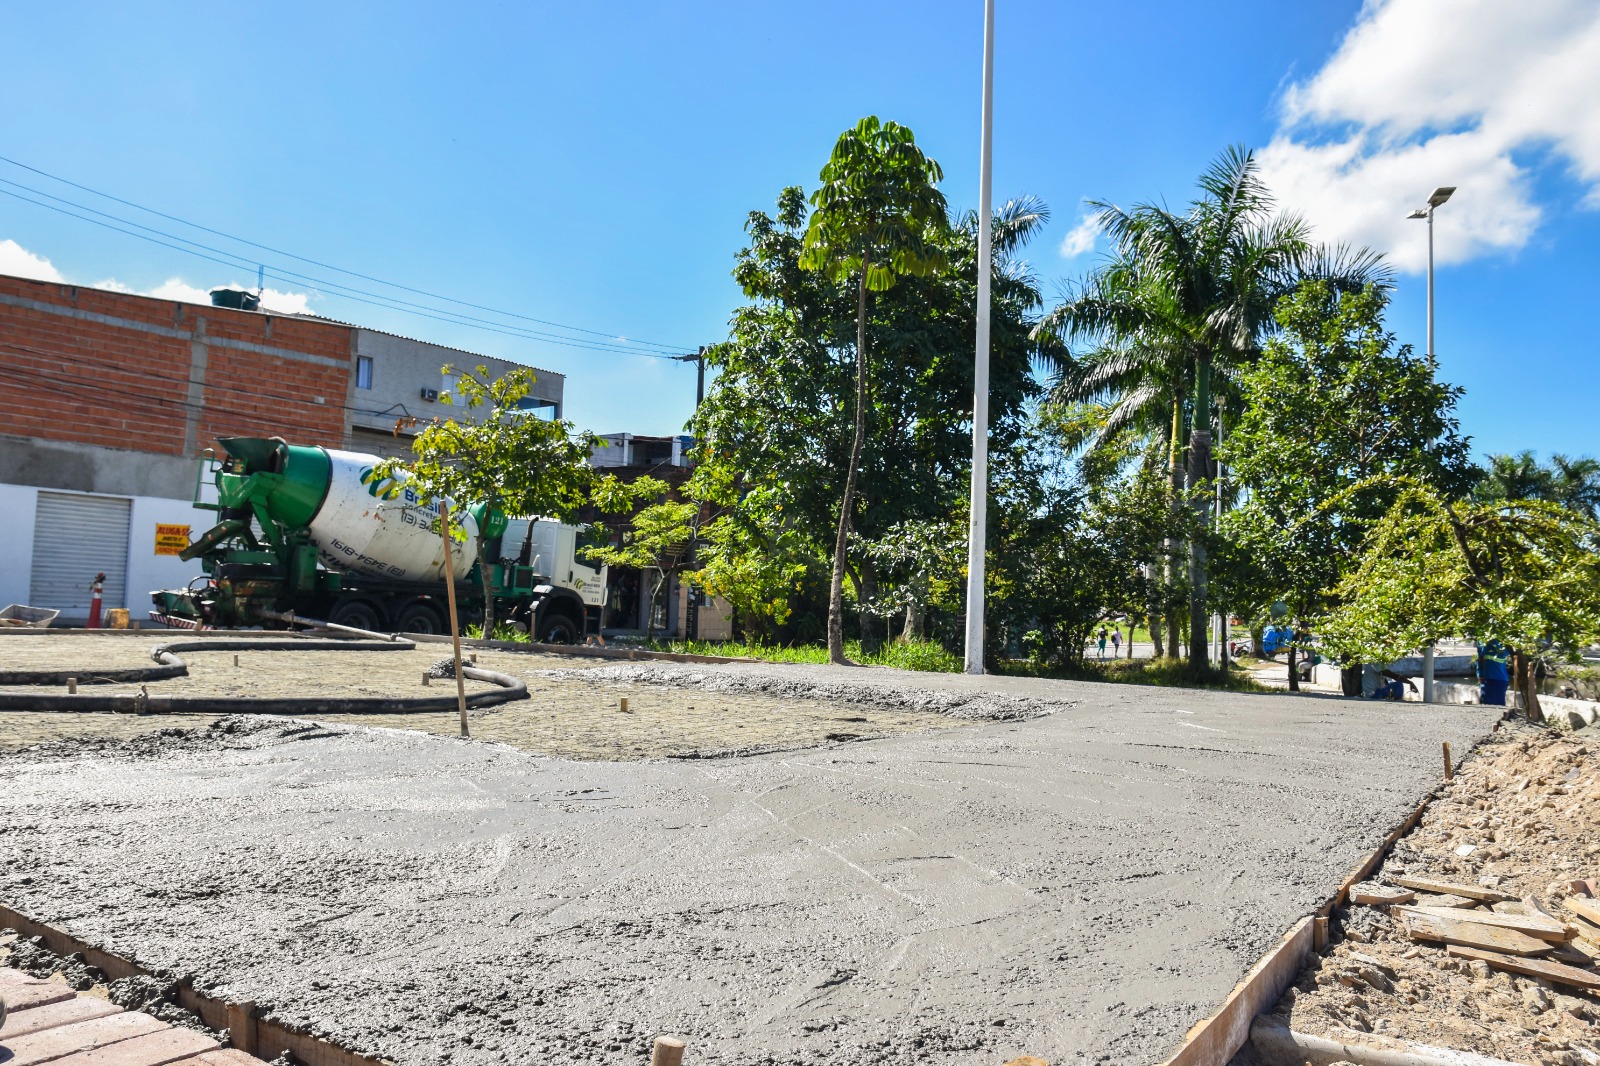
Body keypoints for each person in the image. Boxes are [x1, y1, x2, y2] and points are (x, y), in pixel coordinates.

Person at [1477, 639, 1511, 706]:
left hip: (1499, 679)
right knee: (1485, 704)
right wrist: (1480, 674)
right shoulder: (1481, 641)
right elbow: (1480, 658)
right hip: (1486, 679)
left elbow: (1506, 652)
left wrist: (1494, 642)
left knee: (1498, 705)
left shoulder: (1500, 641)